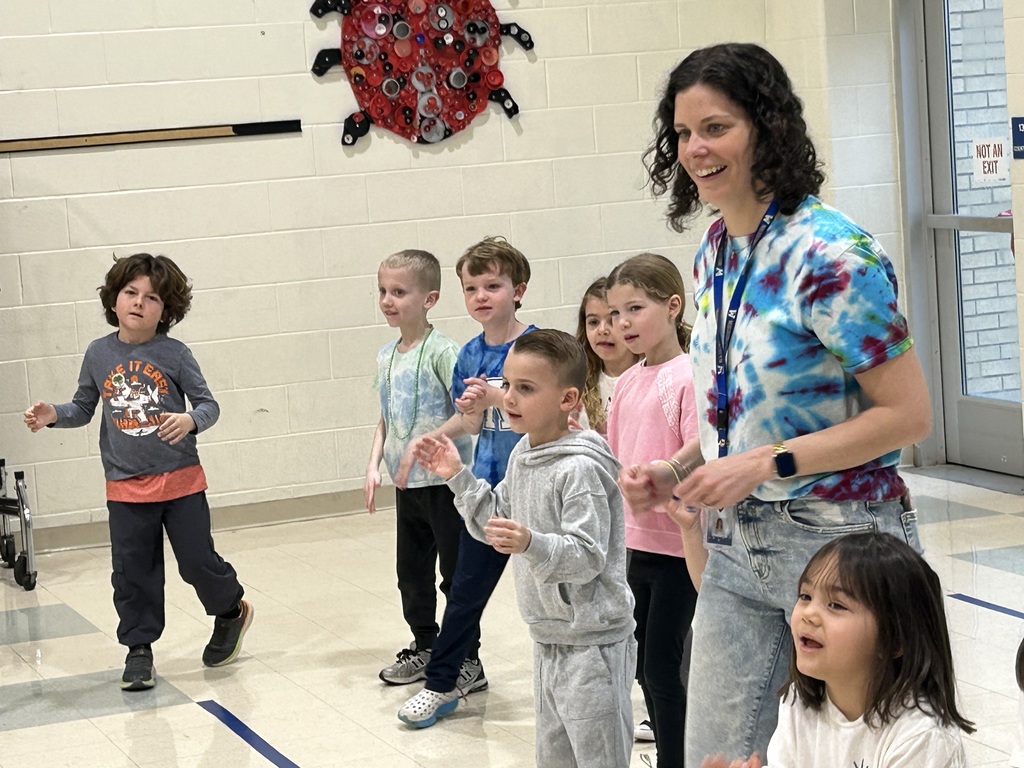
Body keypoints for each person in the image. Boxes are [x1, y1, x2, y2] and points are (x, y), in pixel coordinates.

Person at [622, 42, 933, 765]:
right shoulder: (715, 250)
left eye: (716, 127)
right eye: (682, 133)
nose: (695, 149)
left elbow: (909, 416)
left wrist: (766, 463)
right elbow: (736, 404)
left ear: (767, 128)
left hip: (840, 544)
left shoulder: (832, 254)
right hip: (736, 546)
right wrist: (680, 466)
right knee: (714, 756)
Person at [23, 253, 252, 691]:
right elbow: (84, 408)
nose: (139, 303)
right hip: (125, 486)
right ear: (114, 300)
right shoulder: (98, 353)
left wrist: (190, 420)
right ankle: (139, 650)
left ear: (166, 310)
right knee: (133, 573)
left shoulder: (175, 354)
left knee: (197, 562)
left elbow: (209, 406)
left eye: (152, 298)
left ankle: (230, 611)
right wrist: (54, 414)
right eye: (131, 293)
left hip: (181, 479)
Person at [413, 329, 636, 767]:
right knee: (554, 758)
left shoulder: (580, 470)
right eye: (508, 385)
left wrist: (533, 543)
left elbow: (588, 556)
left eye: (526, 389)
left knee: (599, 757)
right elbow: (491, 523)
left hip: (593, 644)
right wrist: (457, 475)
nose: (509, 398)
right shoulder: (522, 456)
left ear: (568, 399)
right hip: (549, 637)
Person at [395, 236, 537, 725]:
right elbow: (474, 425)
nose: (481, 295)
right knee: (464, 593)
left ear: (518, 290)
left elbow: (549, 414)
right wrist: (437, 433)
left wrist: (497, 398)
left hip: (541, 493)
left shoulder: (538, 346)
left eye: (492, 285)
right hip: (490, 493)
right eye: (471, 286)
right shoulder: (470, 354)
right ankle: (444, 682)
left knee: (568, 600)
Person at [704, 532, 973, 767]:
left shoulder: (920, 736)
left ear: (895, 640)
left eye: (836, 605)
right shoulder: (799, 702)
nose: (809, 614)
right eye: (805, 596)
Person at [604, 252, 699, 768]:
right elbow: (619, 456)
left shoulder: (687, 376)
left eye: (634, 309)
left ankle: (677, 759)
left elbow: (698, 450)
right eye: (615, 313)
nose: (622, 324)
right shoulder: (627, 380)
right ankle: (669, 751)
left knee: (664, 668)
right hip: (635, 546)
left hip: (679, 549)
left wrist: (666, 472)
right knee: (644, 667)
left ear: (672, 306)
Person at [366, 249, 474, 685]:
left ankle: (468, 656)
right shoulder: (386, 356)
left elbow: (469, 415)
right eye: (382, 291)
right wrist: (374, 463)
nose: (388, 301)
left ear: (429, 298)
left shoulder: (445, 352)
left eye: (399, 292)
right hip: (406, 485)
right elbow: (386, 418)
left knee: (456, 574)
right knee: (411, 575)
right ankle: (425, 644)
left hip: (444, 483)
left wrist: (424, 443)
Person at [574, 277, 641, 437]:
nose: (602, 330)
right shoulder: (578, 381)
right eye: (593, 322)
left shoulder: (651, 374)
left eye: (611, 320)